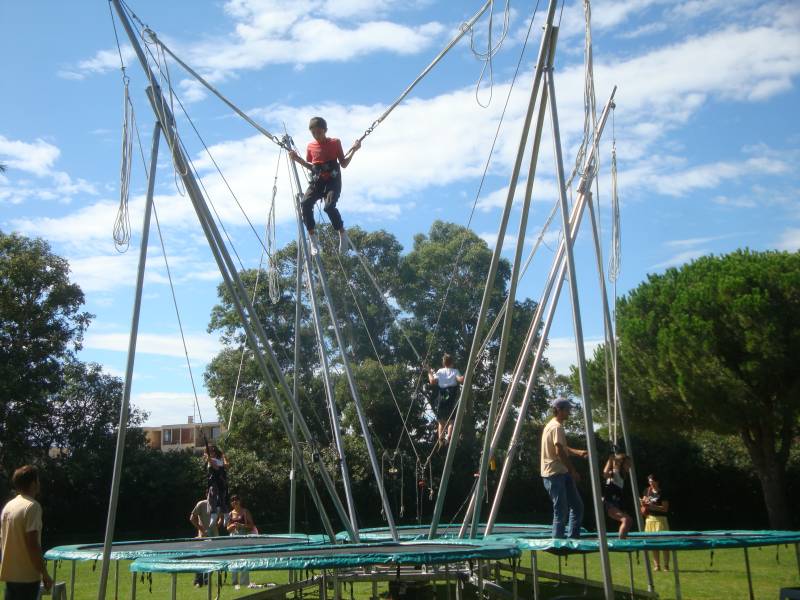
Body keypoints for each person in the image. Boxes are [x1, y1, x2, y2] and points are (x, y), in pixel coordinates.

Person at [289, 117, 361, 255]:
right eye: (313, 133)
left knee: (329, 207)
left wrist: (354, 150)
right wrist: (297, 159)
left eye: (319, 132)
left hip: (333, 182)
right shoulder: (311, 147)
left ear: (325, 130)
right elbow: (311, 166)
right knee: (305, 203)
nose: (317, 136)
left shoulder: (335, 142)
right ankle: (313, 238)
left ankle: (342, 233)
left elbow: (344, 164)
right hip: (318, 182)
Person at [0, 465, 53, 600]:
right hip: (27, 577)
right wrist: (45, 574)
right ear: (33, 483)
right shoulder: (32, 506)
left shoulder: (8, 507)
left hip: (10, 574)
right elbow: (32, 545)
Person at [540, 398, 588, 539]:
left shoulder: (551, 425)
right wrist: (573, 471)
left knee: (577, 507)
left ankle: (572, 539)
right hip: (555, 473)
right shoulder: (557, 427)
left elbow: (561, 446)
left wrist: (577, 452)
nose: (569, 412)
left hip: (560, 473)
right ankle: (558, 542)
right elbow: (559, 451)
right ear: (559, 410)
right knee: (561, 510)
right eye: (567, 409)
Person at [427, 354, 464, 445]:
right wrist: (466, 374)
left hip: (442, 397)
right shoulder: (455, 371)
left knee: (441, 422)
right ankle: (449, 436)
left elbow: (432, 381)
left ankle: (441, 438)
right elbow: (461, 380)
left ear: (443, 363)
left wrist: (429, 372)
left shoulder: (440, 371)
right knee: (451, 421)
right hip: (451, 397)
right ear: (452, 363)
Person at [226, 495, 257, 589]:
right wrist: (232, 527)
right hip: (233, 538)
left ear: (240, 501)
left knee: (245, 559)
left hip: (244, 538)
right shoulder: (230, 514)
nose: (235, 501)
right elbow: (227, 528)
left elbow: (252, 526)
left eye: (236, 499)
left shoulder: (245, 512)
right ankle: (234, 582)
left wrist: (241, 525)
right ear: (231, 503)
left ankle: (244, 582)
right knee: (234, 559)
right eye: (233, 500)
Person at [641, 474, 671, 571]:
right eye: (649, 481)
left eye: (652, 481)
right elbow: (644, 503)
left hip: (660, 520)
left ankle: (666, 565)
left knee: (664, 543)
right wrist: (643, 503)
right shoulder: (647, 491)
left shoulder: (662, 492)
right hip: (649, 519)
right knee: (653, 544)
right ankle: (656, 565)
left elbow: (665, 509)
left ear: (657, 481)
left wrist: (654, 507)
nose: (651, 483)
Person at [602, 448, 633, 539]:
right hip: (609, 503)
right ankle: (621, 542)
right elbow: (605, 474)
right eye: (628, 464)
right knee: (627, 520)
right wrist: (610, 460)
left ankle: (623, 538)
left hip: (615, 503)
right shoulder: (615, 473)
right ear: (621, 464)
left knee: (629, 520)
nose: (630, 466)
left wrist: (614, 459)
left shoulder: (622, 475)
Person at [189, 496, 218, 588]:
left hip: (214, 538)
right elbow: (192, 518)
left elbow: (221, 517)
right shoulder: (201, 504)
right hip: (202, 537)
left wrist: (216, 525)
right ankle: (198, 581)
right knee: (200, 558)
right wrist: (201, 529)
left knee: (212, 559)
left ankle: (207, 581)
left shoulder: (218, 505)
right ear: (207, 493)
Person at [204, 444, 229, 529]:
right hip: (214, 481)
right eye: (210, 451)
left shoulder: (219, 459)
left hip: (220, 480)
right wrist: (208, 458)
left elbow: (226, 466)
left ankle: (225, 514)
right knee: (212, 497)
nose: (212, 452)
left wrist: (224, 456)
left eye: (213, 451)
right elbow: (215, 467)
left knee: (222, 498)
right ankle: (214, 514)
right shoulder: (210, 460)